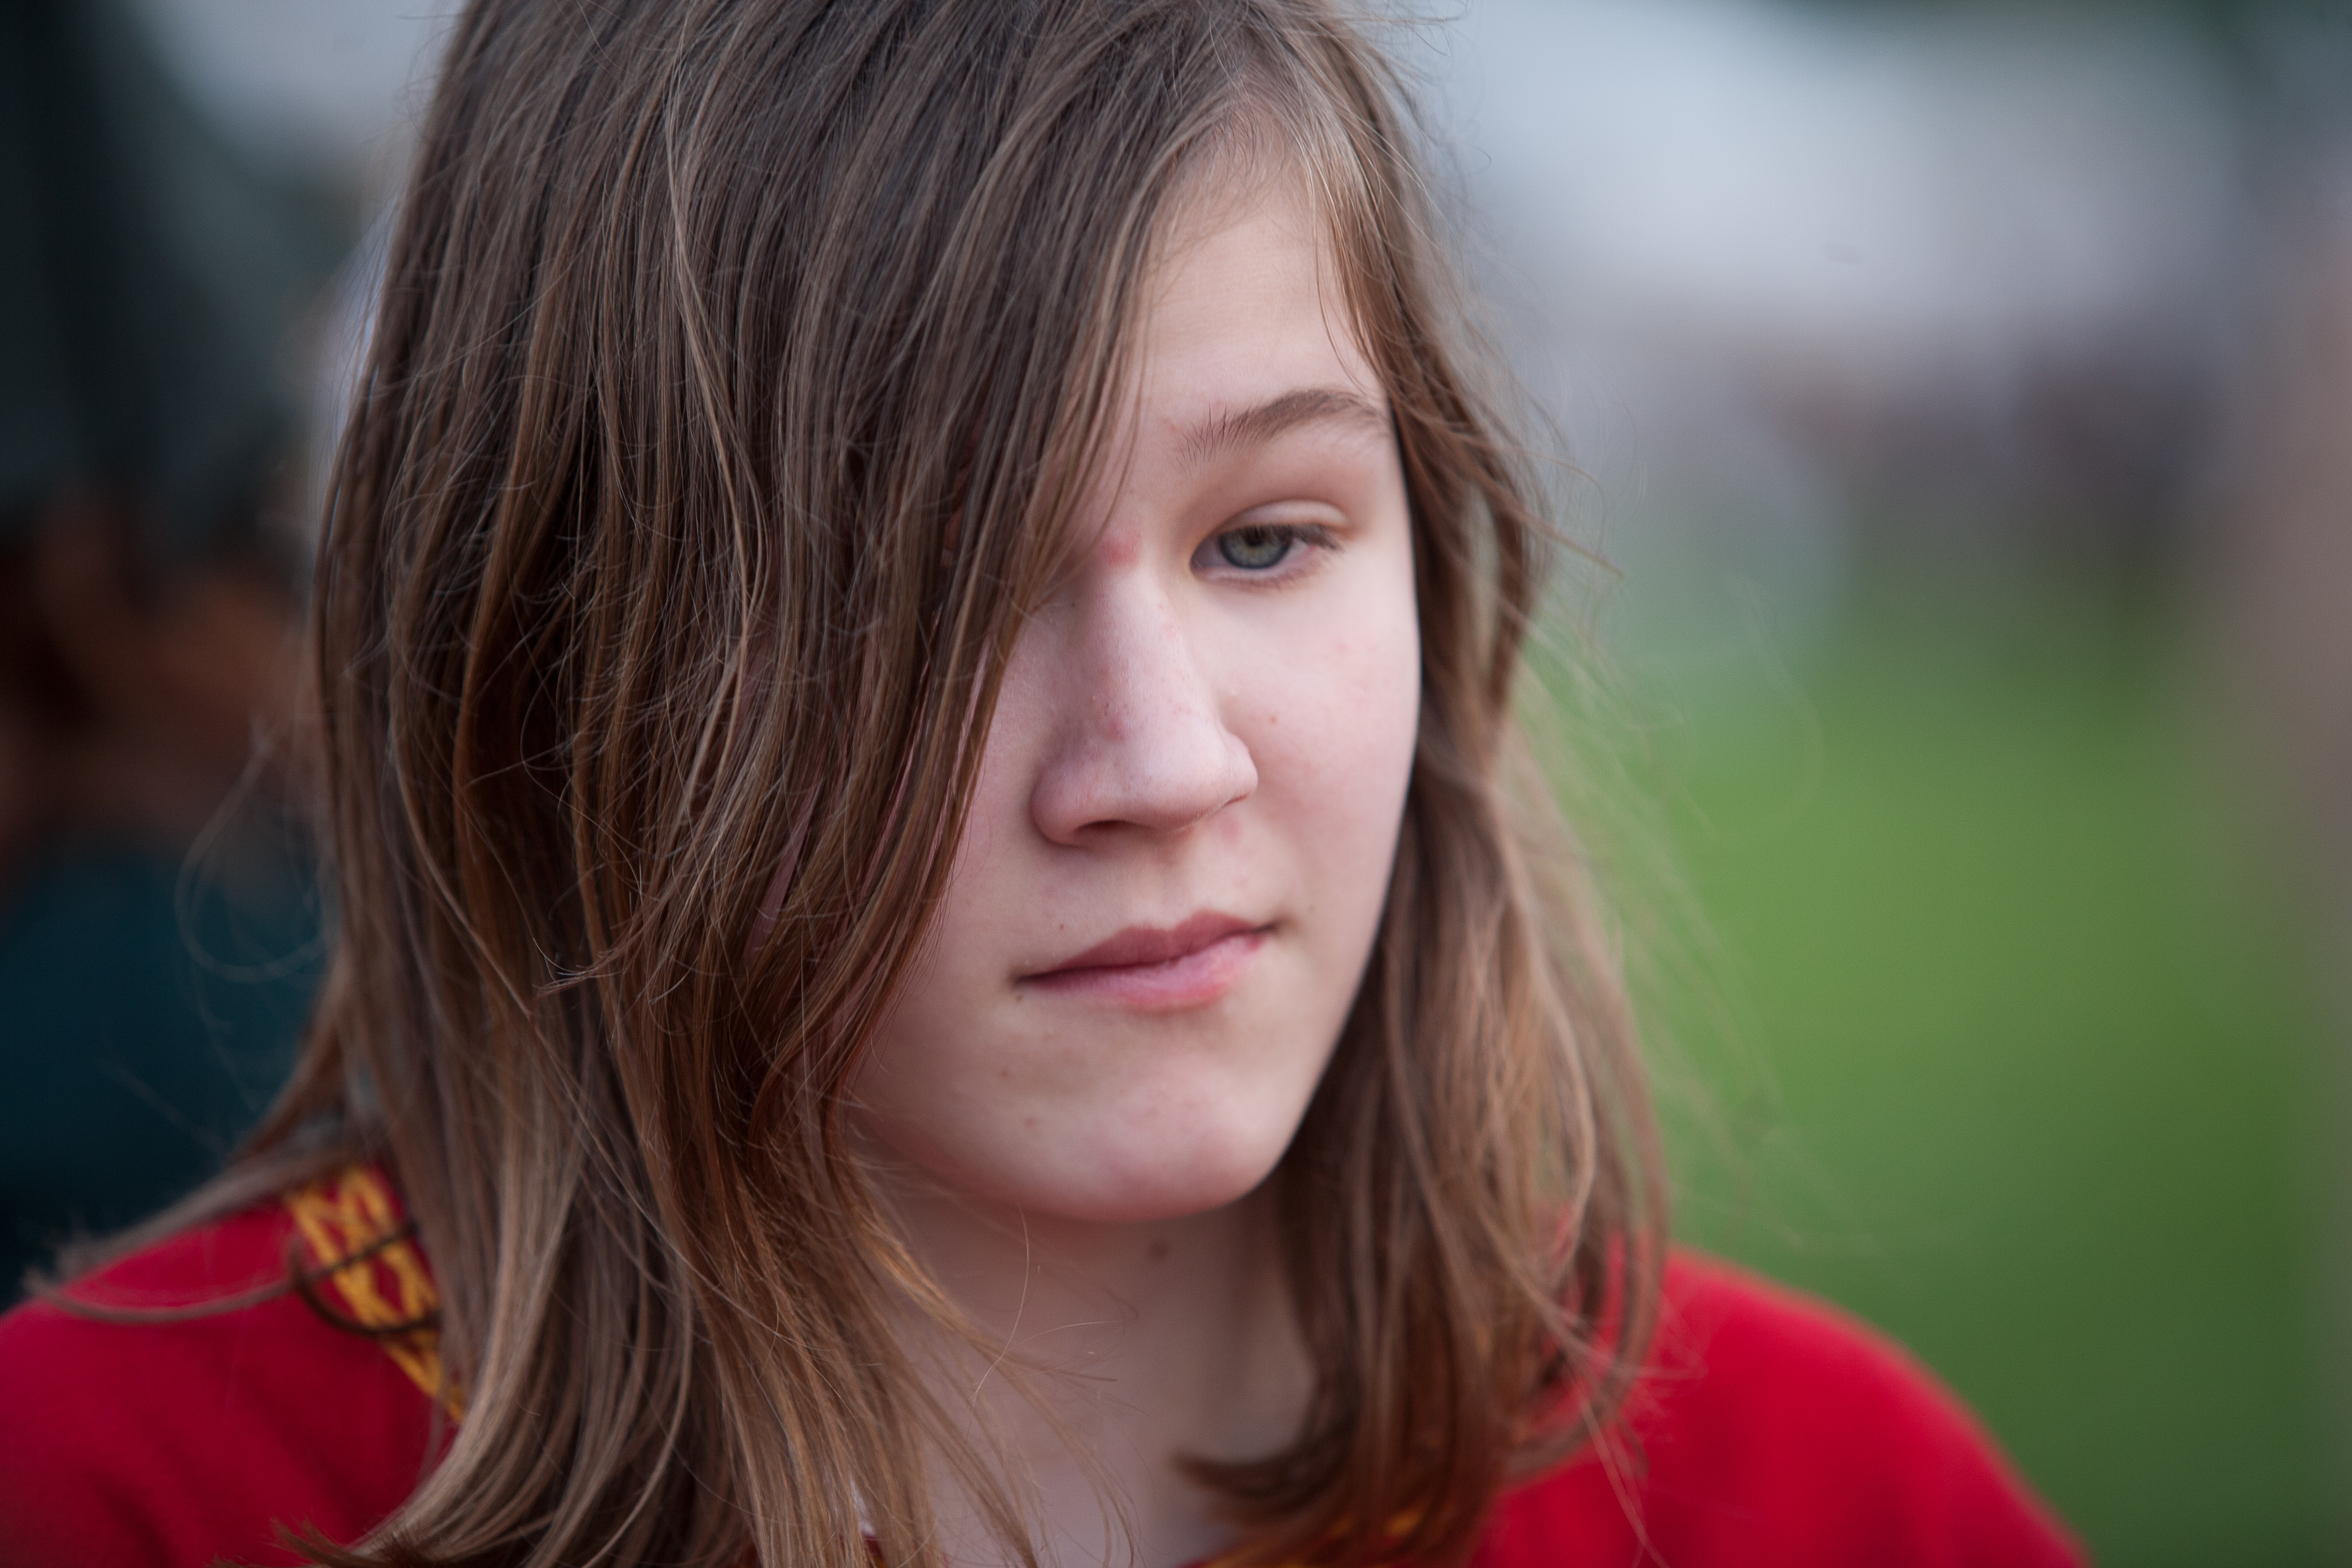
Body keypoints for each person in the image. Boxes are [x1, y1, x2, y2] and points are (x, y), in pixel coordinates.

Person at [0, 2, 2082, 1565]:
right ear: (549, 651)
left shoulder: (1814, 1497)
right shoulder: (119, 1495)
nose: (1160, 763)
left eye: (1263, 540)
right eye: (922, 589)